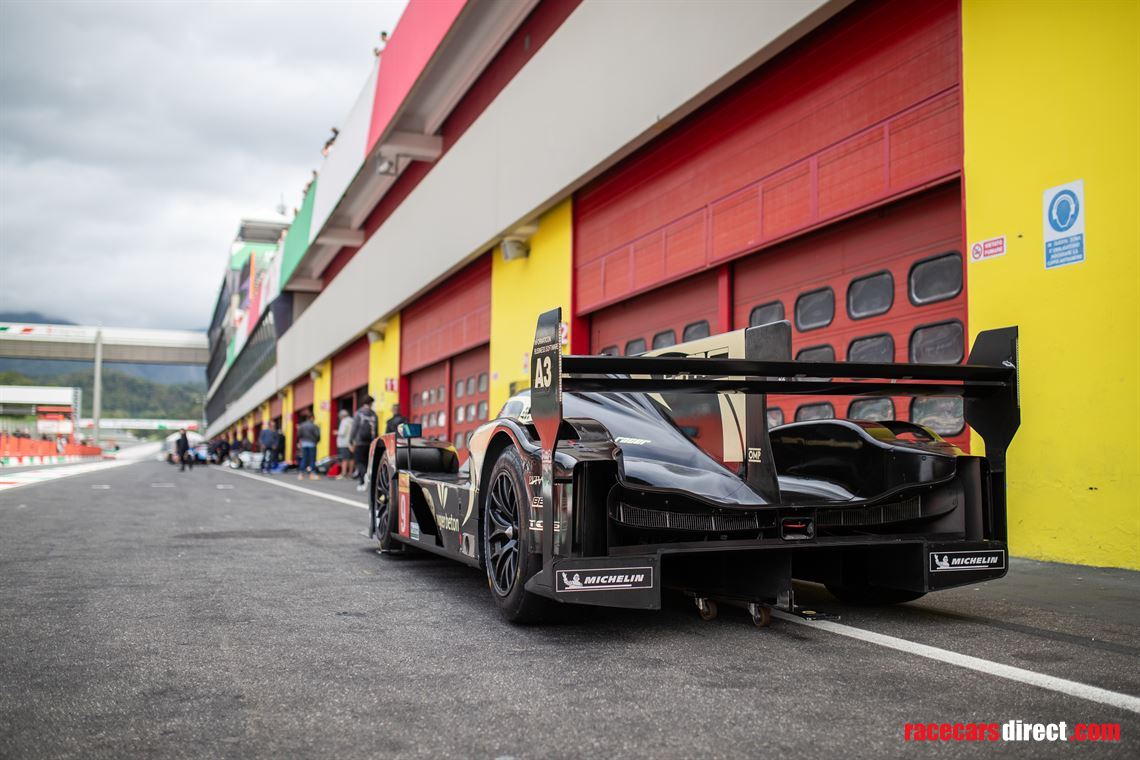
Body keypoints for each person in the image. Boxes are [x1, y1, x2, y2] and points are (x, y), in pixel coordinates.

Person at [351, 396, 379, 491]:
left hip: (360, 442)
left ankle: (362, 481)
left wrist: (351, 439)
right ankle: (369, 481)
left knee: (359, 462)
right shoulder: (374, 414)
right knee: (368, 463)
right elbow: (376, 429)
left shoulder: (359, 413)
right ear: (371, 403)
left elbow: (354, 427)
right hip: (370, 443)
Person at [297, 412, 321, 481]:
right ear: (312, 418)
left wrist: (299, 442)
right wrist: (316, 441)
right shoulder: (314, 426)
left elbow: (299, 435)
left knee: (304, 458)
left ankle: (301, 474)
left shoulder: (302, 425)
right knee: (312, 459)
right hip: (312, 443)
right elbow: (317, 435)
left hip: (304, 443)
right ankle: (312, 474)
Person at [336, 408, 354, 480]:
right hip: (351, 443)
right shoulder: (352, 421)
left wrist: (337, 432)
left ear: (342, 416)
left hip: (344, 443)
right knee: (351, 459)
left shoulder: (344, 422)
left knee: (344, 459)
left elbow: (342, 433)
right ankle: (350, 473)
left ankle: (343, 473)